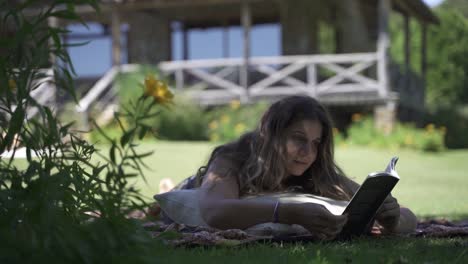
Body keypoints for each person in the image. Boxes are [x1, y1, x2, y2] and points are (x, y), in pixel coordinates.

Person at [191, 95, 417, 240]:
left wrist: (394, 220)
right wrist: (289, 213)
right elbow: (214, 210)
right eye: (298, 138)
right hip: (196, 183)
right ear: (271, 137)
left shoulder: (317, 173)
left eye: (316, 143)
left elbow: (409, 216)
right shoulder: (232, 159)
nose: (308, 152)